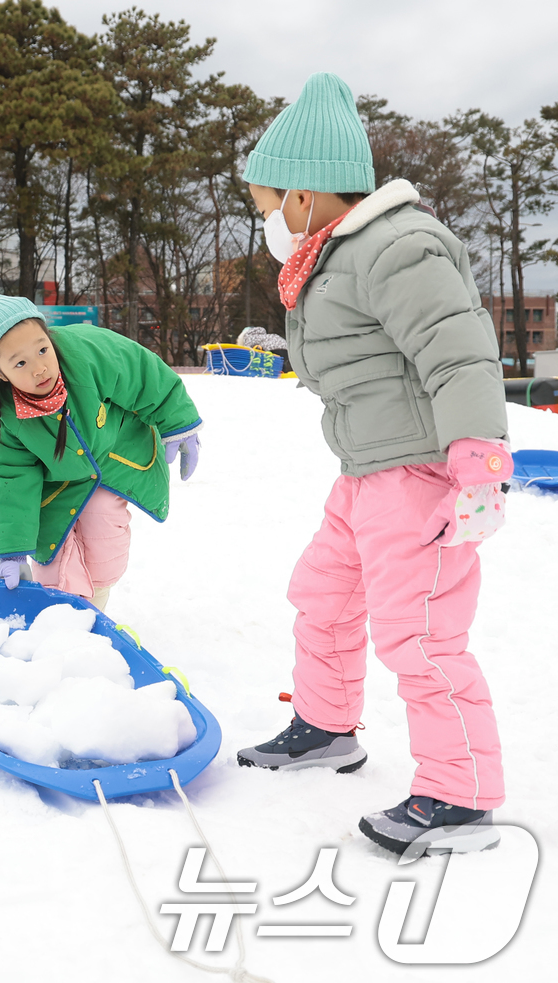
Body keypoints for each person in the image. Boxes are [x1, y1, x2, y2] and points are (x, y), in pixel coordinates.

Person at [234, 73, 513, 856]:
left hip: (420, 474)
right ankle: (326, 725)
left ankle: (459, 796)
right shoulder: (333, 258)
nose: (266, 222)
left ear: (306, 195)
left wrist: (478, 457)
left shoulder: (396, 246)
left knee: (420, 633)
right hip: (364, 472)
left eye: (267, 205)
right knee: (322, 592)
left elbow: (457, 350)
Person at [0, 288, 203, 611]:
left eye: (42, 350)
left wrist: (178, 421)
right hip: (55, 483)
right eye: (20, 362)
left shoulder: (86, 351)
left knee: (103, 535)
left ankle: (96, 605)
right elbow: (9, 476)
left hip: (114, 456)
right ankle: (64, 618)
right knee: (51, 564)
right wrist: (11, 549)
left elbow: (140, 371)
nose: (39, 368)